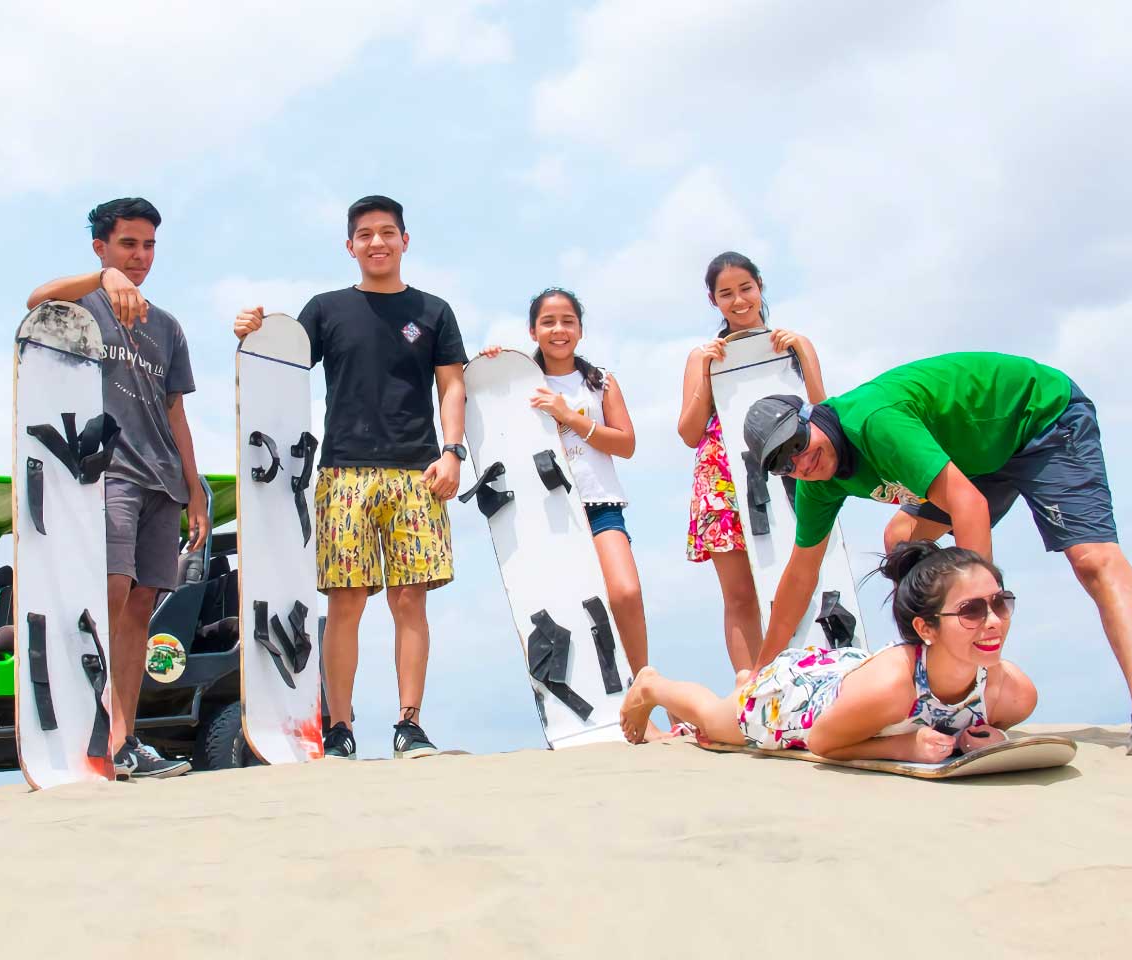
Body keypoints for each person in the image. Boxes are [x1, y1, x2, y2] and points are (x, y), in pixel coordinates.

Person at [741, 351, 1132, 758]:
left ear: (811, 416)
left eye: (797, 443)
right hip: (971, 458)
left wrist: (974, 617)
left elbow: (969, 505)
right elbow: (801, 576)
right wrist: (761, 674)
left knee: (1091, 558)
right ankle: (927, 668)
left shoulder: (875, 423)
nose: (800, 463)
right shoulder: (817, 481)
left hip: (1039, 417)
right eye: (783, 464)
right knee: (901, 537)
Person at [234, 195, 467, 760]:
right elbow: (278, 366)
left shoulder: (433, 311)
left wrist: (454, 451)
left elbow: (452, 385)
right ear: (350, 246)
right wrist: (251, 333)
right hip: (342, 472)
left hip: (417, 471)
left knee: (410, 601)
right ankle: (338, 726)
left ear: (405, 241)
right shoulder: (326, 308)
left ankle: (409, 724)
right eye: (365, 234)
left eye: (388, 232)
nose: (377, 243)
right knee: (346, 602)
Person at [26, 197, 207, 779]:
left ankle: (125, 737)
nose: (140, 257)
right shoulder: (81, 308)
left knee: (140, 610)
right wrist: (102, 279)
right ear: (101, 246)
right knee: (108, 592)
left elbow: (175, 410)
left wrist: (195, 486)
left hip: (164, 478)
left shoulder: (168, 325)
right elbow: (35, 302)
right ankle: (93, 727)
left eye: (149, 245)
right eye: (128, 244)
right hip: (108, 471)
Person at [621, 541, 1037, 759]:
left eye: (1001, 602)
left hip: (847, 678)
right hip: (799, 701)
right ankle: (652, 686)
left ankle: (746, 681)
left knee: (733, 703)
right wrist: (902, 747)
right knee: (715, 723)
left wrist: (988, 738)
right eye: (972, 610)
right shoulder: (894, 687)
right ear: (925, 627)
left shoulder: (1011, 693)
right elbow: (821, 741)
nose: (994, 621)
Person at [481, 287, 664, 738]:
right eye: (548, 322)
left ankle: (645, 697)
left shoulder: (600, 381)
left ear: (580, 329)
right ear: (532, 331)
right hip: (546, 512)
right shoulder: (519, 383)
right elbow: (484, 415)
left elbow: (626, 443)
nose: (558, 330)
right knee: (565, 612)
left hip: (599, 503)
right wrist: (489, 366)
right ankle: (585, 715)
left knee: (624, 593)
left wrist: (571, 417)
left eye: (567, 321)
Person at [676, 252, 826, 674]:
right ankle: (751, 688)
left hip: (793, 472)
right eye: (726, 294)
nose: (738, 300)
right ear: (713, 300)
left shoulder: (794, 342)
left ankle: (810, 675)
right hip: (721, 477)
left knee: (800, 580)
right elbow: (688, 433)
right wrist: (706, 370)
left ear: (760, 286)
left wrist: (801, 351)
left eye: (745, 288)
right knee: (740, 596)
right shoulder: (702, 355)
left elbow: (825, 411)